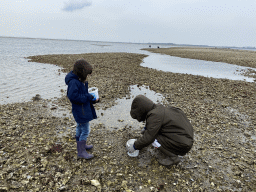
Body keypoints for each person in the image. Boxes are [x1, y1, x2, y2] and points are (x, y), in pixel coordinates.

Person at [127, 95, 194, 166]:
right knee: (152, 133)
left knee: (153, 139)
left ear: (142, 110)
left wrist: (135, 146)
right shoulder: (158, 109)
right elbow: (155, 123)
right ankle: (170, 148)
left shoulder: (155, 116)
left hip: (183, 144)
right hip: (186, 138)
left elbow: (148, 138)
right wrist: (146, 129)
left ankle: (173, 157)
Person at [65, 59, 99, 159]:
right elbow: (73, 97)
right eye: (87, 74)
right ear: (81, 73)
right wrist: (87, 97)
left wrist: (92, 99)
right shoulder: (74, 82)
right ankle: (81, 152)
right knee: (85, 130)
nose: (87, 77)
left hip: (82, 110)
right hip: (80, 111)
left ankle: (82, 146)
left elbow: (82, 95)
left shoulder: (78, 80)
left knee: (80, 127)